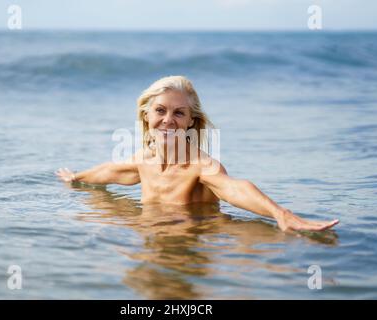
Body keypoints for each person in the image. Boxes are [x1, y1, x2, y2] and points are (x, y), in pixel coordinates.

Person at [56, 76, 339, 232]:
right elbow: (109, 171)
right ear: (146, 114)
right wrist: (76, 177)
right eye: (160, 110)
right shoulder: (143, 160)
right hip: (153, 233)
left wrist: (281, 214)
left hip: (194, 237)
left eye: (179, 113)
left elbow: (235, 188)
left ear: (192, 120)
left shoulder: (201, 166)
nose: (168, 120)